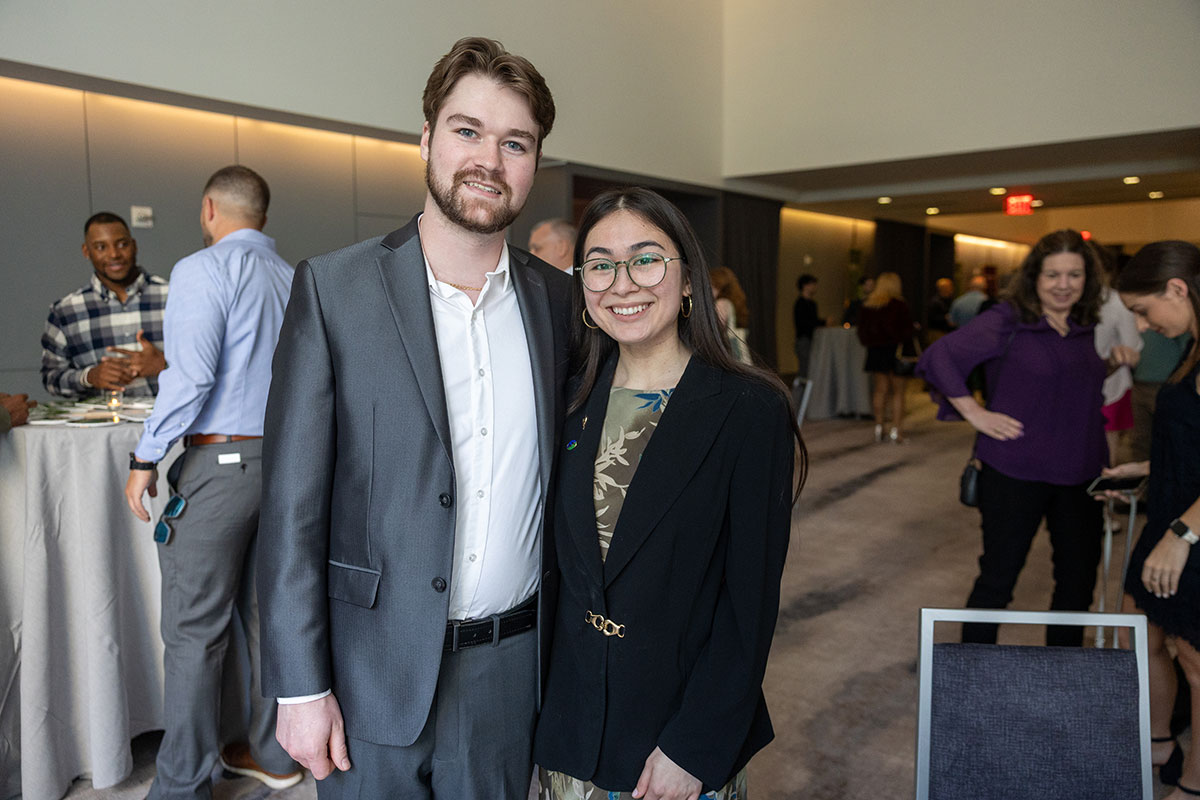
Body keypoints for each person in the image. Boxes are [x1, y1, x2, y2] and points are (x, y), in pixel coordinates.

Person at [257, 37, 570, 800]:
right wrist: (299, 688)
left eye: (515, 142)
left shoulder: (561, 306)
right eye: (467, 131)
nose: (489, 160)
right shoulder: (334, 290)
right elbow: (292, 508)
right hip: (368, 669)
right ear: (427, 139)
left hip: (510, 670)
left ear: (534, 163)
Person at [533, 187, 803, 800]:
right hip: (571, 729)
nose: (622, 283)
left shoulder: (748, 407)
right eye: (600, 264)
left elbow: (749, 605)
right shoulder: (568, 398)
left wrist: (694, 745)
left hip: (674, 736)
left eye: (646, 259)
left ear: (687, 281)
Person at [123, 165, 301, 797]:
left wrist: (146, 456)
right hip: (283, 468)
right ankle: (274, 756)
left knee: (194, 633)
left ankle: (180, 785)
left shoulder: (204, 269)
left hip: (220, 470)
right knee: (266, 619)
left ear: (209, 211)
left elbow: (191, 377)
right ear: (263, 214)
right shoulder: (293, 278)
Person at [916, 229, 1107, 646]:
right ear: (1035, 277)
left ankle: (1062, 676)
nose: (1063, 285)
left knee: (1077, 586)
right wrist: (974, 412)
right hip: (1014, 470)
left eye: (1074, 275)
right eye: (1053, 274)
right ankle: (971, 677)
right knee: (998, 580)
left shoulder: (1090, 326)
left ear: (1087, 279)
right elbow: (939, 357)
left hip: (1082, 473)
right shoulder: (1009, 321)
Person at [1103, 240, 1200, 796]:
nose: (1140, 327)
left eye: (1143, 310)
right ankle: (1159, 738)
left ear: (1178, 289)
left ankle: (1192, 779)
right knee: (1137, 631)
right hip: (1168, 515)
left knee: (1193, 659)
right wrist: (1142, 468)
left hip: (1188, 531)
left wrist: (1182, 535)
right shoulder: (1191, 349)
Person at [42, 212, 169, 398]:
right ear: (87, 252)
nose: (114, 254)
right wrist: (89, 377)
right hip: (101, 426)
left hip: (170, 424)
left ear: (134, 246)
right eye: (101, 247)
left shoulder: (174, 296)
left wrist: (164, 365)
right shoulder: (66, 311)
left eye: (122, 244)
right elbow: (51, 379)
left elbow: (216, 364)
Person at [1094, 254, 1142, 465]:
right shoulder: (1068, 302)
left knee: (1106, 454)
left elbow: (1133, 347)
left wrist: (1114, 359)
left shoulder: (1116, 302)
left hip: (1110, 387)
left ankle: (1105, 497)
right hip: (1074, 387)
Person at [857, 271, 914, 443]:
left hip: (875, 352)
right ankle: (896, 431)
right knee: (898, 392)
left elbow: (861, 334)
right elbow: (905, 331)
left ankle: (879, 427)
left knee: (880, 390)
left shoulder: (868, 305)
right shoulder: (899, 305)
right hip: (895, 352)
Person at [709, 265, 752, 364]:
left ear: (720, 286)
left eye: (712, 285)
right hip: (739, 349)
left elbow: (716, 329)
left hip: (731, 352)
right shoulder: (732, 303)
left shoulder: (721, 303)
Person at [793, 273, 823, 376]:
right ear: (805, 286)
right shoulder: (800, 303)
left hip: (812, 340)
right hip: (804, 340)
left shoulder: (813, 304)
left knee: (811, 370)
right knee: (805, 370)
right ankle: (800, 392)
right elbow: (805, 324)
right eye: (812, 284)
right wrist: (823, 322)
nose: (815, 287)